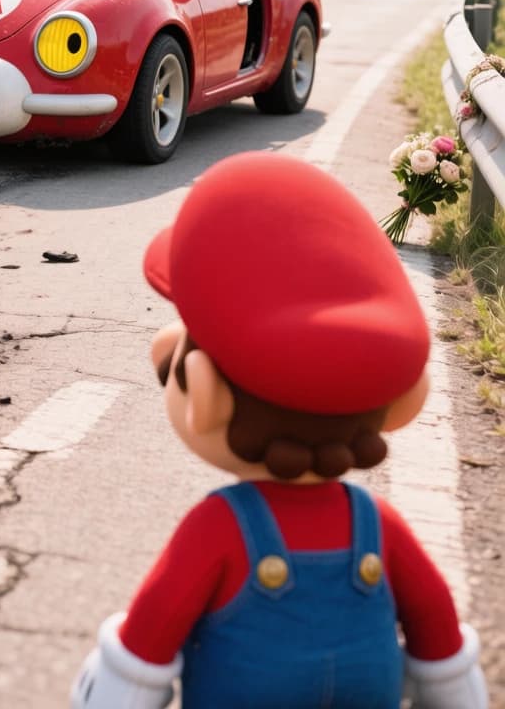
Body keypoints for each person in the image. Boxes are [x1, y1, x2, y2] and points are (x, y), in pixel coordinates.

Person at [70, 152, 488, 709]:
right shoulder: (376, 525)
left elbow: (142, 652)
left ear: (207, 395)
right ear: (404, 404)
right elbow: (440, 640)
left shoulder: (218, 529)